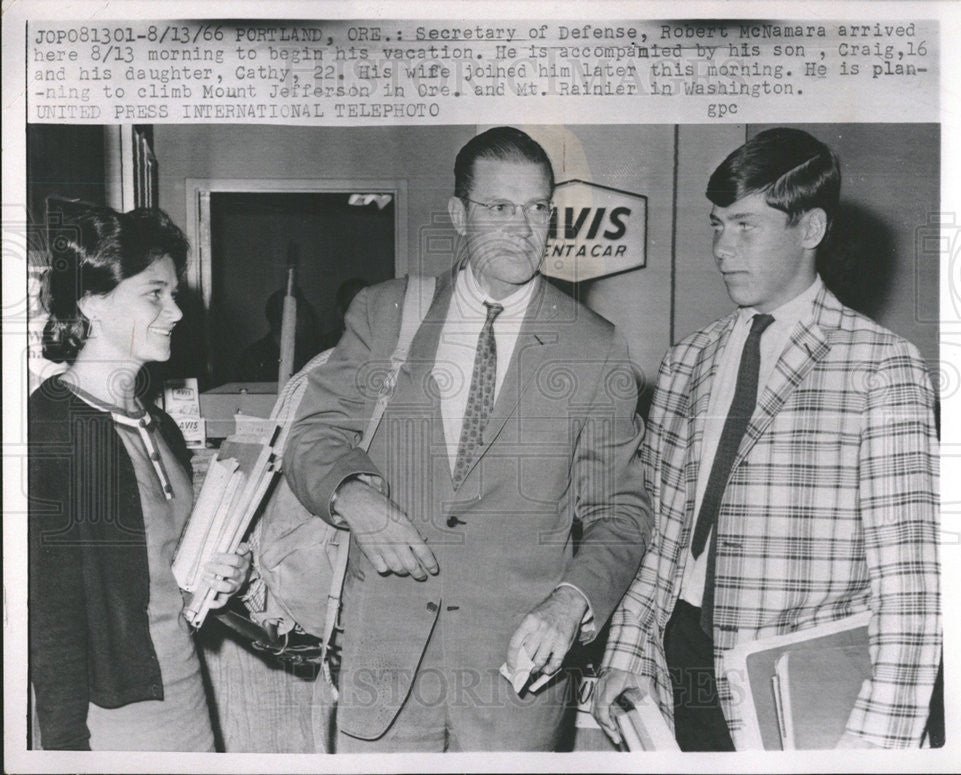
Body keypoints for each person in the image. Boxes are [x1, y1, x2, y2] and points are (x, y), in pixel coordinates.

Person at [283, 126, 653, 752]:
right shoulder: (386, 313)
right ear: (459, 215)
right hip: (385, 670)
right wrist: (353, 496)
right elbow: (314, 435)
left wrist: (570, 602)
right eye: (499, 208)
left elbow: (620, 510)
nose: (523, 227)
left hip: (516, 683)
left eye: (538, 208)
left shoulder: (595, 345)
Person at [592, 128, 941, 750]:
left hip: (798, 680)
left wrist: (878, 741)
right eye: (717, 225)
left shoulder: (882, 364)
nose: (723, 248)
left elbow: (910, 580)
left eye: (746, 226)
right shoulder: (688, 360)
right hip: (679, 662)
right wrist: (625, 650)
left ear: (809, 229)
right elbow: (661, 534)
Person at [29, 202, 250, 751]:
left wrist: (222, 578)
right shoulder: (53, 428)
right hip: (113, 715)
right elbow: (50, 617)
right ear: (92, 302)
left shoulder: (160, 425)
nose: (176, 311)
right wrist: (64, 750)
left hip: (187, 691)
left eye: (174, 293)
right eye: (156, 293)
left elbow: (165, 571)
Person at [235, 286, 322, 382]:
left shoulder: (312, 355)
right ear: (283, 319)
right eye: (301, 315)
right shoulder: (252, 358)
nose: (307, 321)